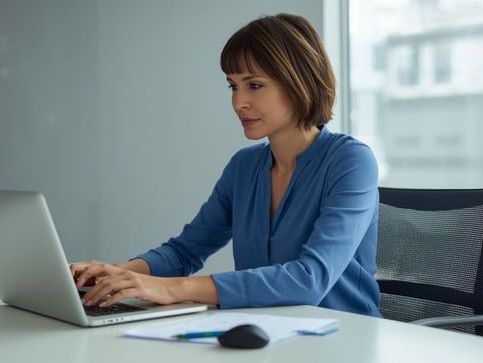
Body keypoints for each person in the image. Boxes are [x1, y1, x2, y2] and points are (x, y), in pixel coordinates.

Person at [71, 13, 381, 317]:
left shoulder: (351, 161)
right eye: (233, 86)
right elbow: (186, 251)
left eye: (254, 85)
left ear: (299, 82)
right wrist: (118, 274)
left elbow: (309, 279)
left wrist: (171, 288)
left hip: (345, 337)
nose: (238, 102)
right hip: (270, 335)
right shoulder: (244, 167)